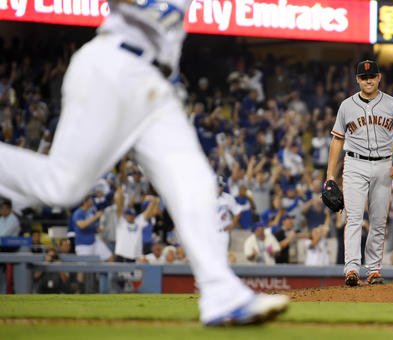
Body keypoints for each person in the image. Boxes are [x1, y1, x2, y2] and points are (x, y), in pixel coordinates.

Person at [0, 0, 288, 325]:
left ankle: (222, 295)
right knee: (62, 188)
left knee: (196, 183)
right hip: (112, 65)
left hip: (156, 85)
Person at [325, 60, 393, 286]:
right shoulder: (346, 106)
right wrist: (330, 175)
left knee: (379, 220)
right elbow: (337, 140)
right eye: (364, 77)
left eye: (372, 76)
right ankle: (352, 268)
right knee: (353, 218)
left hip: (384, 165)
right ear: (357, 80)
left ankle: (373, 270)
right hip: (355, 164)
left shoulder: (392, 104)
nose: (368, 80)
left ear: (379, 77)